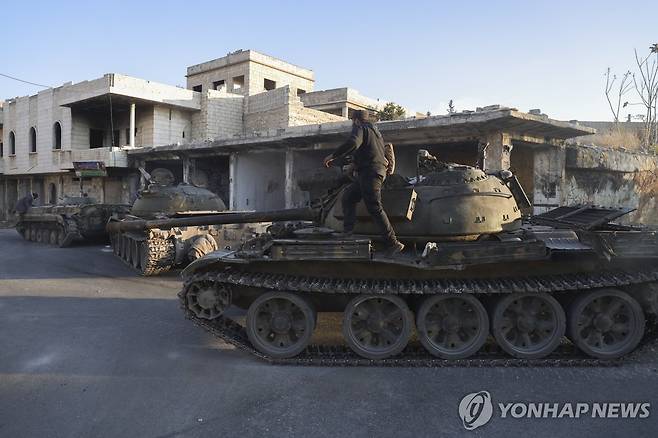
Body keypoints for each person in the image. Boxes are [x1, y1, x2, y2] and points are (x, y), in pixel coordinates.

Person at [323, 110, 404, 255]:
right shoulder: (376, 133)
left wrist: (333, 155)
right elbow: (368, 152)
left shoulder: (360, 128)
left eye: (352, 121)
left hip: (370, 174)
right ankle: (348, 232)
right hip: (371, 173)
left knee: (374, 207)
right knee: (349, 197)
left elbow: (353, 142)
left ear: (356, 120)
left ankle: (393, 242)